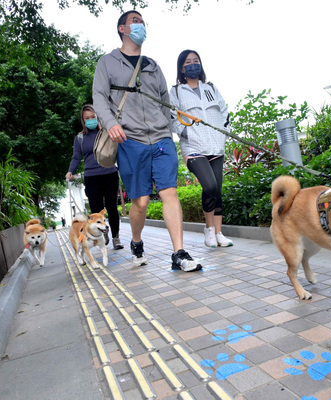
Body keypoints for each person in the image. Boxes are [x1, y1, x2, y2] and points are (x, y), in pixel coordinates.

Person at [92, 10, 201, 272]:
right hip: (130, 139)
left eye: (142, 22)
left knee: (169, 192)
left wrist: (170, 129)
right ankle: (137, 242)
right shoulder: (107, 63)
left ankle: (179, 253)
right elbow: (98, 98)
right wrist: (111, 124)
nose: (140, 25)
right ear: (122, 29)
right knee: (140, 202)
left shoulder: (152, 65)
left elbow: (165, 101)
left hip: (161, 137)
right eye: (135, 21)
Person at [169, 49, 233, 248]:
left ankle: (219, 233)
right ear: (182, 67)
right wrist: (186, 133)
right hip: (194, 147)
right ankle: (209, 229)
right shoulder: (177, 91)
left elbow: (224, 111)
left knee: (218, 190)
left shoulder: (211, 88)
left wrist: (223, 133)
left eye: (196, 60)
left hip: (215, 145)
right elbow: (172, 116)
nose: (193, 64)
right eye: (188, 61)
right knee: (210, 186)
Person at [66, 104, 124, 250]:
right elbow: (76, 157)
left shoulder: (107, 131)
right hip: (91, 178)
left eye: (93, 117)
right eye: (87, 118)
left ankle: (116, 237)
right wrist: (70, 171)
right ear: (83, 120)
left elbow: (118, 149)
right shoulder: (79, 138)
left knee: (111, 207)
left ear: (98, 116)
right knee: (96, 211)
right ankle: (104, 235)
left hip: (109, 174)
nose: (90, 120)